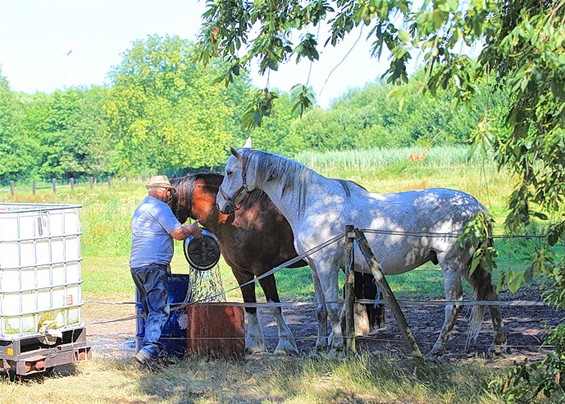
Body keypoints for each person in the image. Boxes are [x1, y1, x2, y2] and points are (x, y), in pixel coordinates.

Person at [130, 174, 202, 366]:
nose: (170, 196)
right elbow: (178, 234)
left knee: (149, 310)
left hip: (137, 266)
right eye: (169, 192)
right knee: (160, 310)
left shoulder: (141, 207)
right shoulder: (159, 208)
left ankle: (154, 355)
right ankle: (148, 349)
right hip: (154, 266)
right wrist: (192, 230)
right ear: (163, 191)